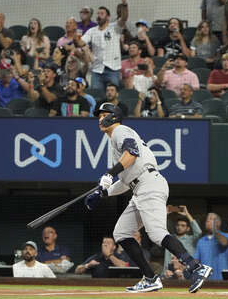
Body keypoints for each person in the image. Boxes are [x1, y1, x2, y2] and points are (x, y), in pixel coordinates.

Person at [83, 103, 212, 292]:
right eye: (99, 116)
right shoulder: (113, 141)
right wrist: (102, 192)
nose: (100, 119)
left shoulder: (120, 130)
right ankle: (151, 278)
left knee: (157, 234)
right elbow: (127, 181)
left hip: (148, 184)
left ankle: (196, 268)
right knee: (121, 233)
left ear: (114, 116)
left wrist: (110, 174)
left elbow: (132, 153)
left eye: (104, 115)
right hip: (140, 186)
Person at [74, 0, 128, 90]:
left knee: (112, 97)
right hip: (97, 70)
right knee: (97, 96)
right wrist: (75, 35)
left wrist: (124, 5)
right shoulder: (92, 31)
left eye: (102, 13)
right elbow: (80, 43)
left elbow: (124, 18)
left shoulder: (115, 27)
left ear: (108, 17)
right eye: (98, 13)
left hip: (113, 69)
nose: (99, 15)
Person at [163, 206, 202, 274]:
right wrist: (164, 214)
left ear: (188, 228)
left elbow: (198, 232)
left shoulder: (191, 240)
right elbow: (160, 231)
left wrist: (187, 214)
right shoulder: (170, 238)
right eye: (178, 225)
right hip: (169, 272)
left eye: (183, 225)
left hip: (188, 272)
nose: (179, 227)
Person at [194, 213, 228, 281]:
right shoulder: (201, 241)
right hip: (204, 279)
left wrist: (215, 230)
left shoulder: (226, 236)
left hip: (221, 279)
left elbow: (224, 243)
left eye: (211, 219)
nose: (207, 221)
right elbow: (197, 260)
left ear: (218, 223)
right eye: (207, 220)